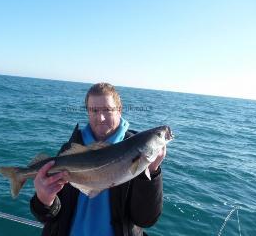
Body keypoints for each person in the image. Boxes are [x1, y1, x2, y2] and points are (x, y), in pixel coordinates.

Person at [30, 83, 167, 236]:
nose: (100, 118)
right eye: (94, 110)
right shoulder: (70, 149)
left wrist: (152, 172)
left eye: (107, 110)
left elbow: (145, 220)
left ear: (119, 110)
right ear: (87, 112)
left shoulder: (134, 150)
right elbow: (47, 216)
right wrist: (44, 200)